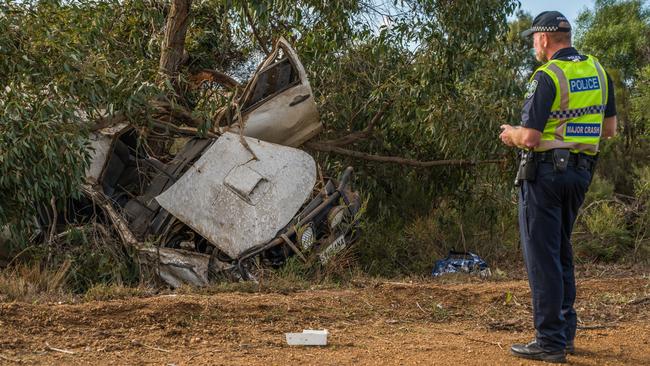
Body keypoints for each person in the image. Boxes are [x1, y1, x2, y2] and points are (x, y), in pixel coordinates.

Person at [499, 10, 617, 364]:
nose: (534, 45)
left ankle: (549, 341)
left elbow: (532, 137)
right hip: (581, 173)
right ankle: (564, 336)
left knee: (543, 256)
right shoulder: (598, 71)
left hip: (546, 175)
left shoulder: (547, 75)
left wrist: (512, 134)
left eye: (534, 39)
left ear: (544, 39)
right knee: (561, 251)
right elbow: (608, 130)